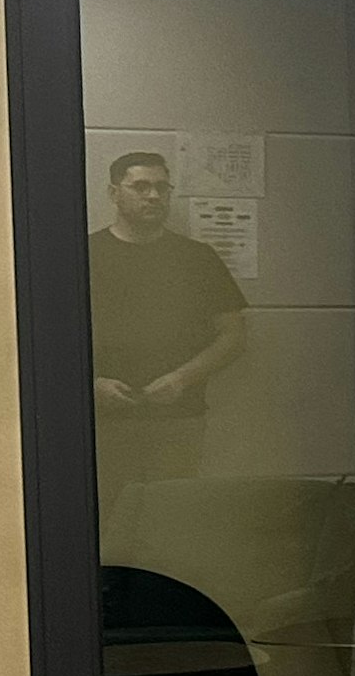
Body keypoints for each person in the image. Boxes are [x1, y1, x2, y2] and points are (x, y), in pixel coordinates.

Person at [87, 150, 247, 513]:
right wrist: (90, 385)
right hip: (102, 420)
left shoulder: (197, 258)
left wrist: (181, 379)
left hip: (178, 418)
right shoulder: (83, 254)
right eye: (140, 187)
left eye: (162, 187)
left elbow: (233, 336)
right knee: (106, 519)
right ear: (114, 193)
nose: (153, 196)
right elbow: (49, 341)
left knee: (172, 518)